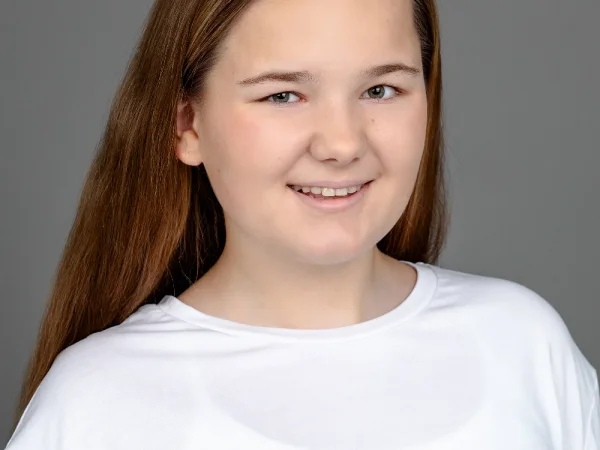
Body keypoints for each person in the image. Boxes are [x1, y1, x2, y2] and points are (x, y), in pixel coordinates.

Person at [5, 0, 599, 448]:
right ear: (187, 125)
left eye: (381, 89)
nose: (342, 144)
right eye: (283, 96)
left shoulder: (522, 344)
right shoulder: (98, 402)